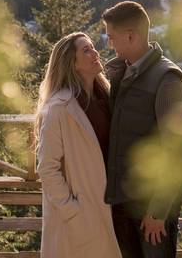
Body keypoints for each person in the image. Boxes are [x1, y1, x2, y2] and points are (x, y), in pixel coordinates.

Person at [102, 1, 182, 258]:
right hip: (123, 201)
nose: (109, 44)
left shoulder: (167, 80)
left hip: (152, 208)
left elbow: (176, 150)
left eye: (112, 37)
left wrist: (158, 212)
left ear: (131, 35)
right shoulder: (121, 73)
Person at [35, 32, 122, 258]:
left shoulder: (107, 100)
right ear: (71, 64)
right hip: (81, 218)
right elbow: (47, 167)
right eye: (86, 50)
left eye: (93, 47)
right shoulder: (58, 109)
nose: (95, 53)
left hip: (113, 209)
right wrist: (72, 211)